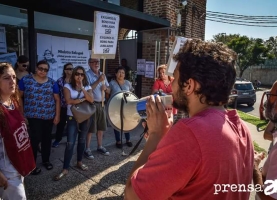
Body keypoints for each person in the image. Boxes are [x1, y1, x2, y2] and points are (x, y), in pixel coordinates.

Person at [124, 39, 254, 200]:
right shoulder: (242, 129)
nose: (172, 87)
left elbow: (132, 195)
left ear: (190, 86)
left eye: (176, 79)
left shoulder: (190, 133)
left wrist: (157, 135)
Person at [0, 62, 36, 199]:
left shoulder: (12, 102)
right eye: (6, 78)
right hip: (7, 173)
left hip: (18, 166)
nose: (12, 81)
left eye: (14, 77)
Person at [19, 60, 60, 175]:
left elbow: (57, 99)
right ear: (36, 68)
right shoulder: (26, 80)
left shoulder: (52, 83)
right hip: (32, 117)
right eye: (40, 68)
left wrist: (57, 115)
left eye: (45, 69)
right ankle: (32, 165)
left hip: (48, 117)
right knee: (33, 141)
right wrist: (21, 114)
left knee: (47, 140)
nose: (42, 71)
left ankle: (46, 160)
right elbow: (18, 97)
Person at [54, 66, 94, 181]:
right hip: (72, 117)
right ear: (73, 75)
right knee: (70, 143)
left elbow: (91, 99)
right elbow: (68, 101)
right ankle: (65, 168)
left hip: (86, 117)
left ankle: (79, 162)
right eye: (77, 74)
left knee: (82, 140)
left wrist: (82, 88)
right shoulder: (67, 86)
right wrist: (82, 99)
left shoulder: (87, 86)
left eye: (81, 74)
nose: (79, 76)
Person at [85, 58, 110, 158]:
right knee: (91, 128)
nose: (96, 64)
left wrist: (106, 89)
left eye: (98, 62)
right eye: (94, 62)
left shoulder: (102, 74)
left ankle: (100, 146)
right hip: (92, 104)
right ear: (89, 63)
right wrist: (98, 80)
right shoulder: (87, 75)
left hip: (102, 104)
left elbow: (108, 89)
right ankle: (87, 148)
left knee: (101, 127)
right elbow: (87, 89)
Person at [109, 66, 134, 148]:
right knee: (116, 123)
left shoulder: (128, 83)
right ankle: (118, 141)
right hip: (115, 106)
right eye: (119, 72)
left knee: (127, 122)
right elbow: (107, 94)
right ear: (116, 74)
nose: (121, 74)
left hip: (126, 107)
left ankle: (128, 140)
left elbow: (131, 93)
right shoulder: (112, 83)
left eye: (123, 72)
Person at [52, 63, 73, 148]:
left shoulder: (75, 80)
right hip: (63, 106)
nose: (71, 70)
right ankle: (57, 139)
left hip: (72, 106)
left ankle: (70, 139)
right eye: (69, 69)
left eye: (72, 69)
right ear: (65, 70)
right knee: (61, 124)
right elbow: (57, 94)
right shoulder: (60, 81)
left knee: (72, 124)